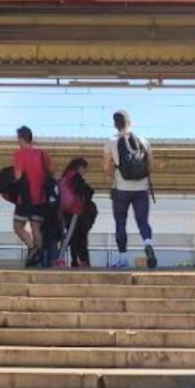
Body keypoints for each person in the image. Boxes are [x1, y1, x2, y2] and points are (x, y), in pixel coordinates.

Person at [103, 110, 157, 269]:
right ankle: (148, 243)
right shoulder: (143, 140)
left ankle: (123, 258)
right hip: (141, 189)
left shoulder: (111, 142)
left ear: (115, 124)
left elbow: (106, 167)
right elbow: (151, 167)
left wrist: (116, 173)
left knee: (121, 222)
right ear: (130, 122)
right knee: (143, 221)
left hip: (121, 189)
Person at [13, 126, 53, 267]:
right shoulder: (43, 154)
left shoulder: (20, 154)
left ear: (21, 139)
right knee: (36, 228)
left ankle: (32, 247)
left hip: (25, 197)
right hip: (41, 197)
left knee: (18, 226)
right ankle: (39, 258)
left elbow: (18, 176)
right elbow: (51, 172)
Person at [59, 157, 97, 267]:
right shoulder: (75, 176)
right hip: (76, 210)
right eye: (85, 169)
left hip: (66, 210)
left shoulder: (65, 176)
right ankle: (82, 260)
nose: (85, 172)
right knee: (80, 236)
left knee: (72, 235)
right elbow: (85, 191)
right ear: (80, 167)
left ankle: (74, 259)